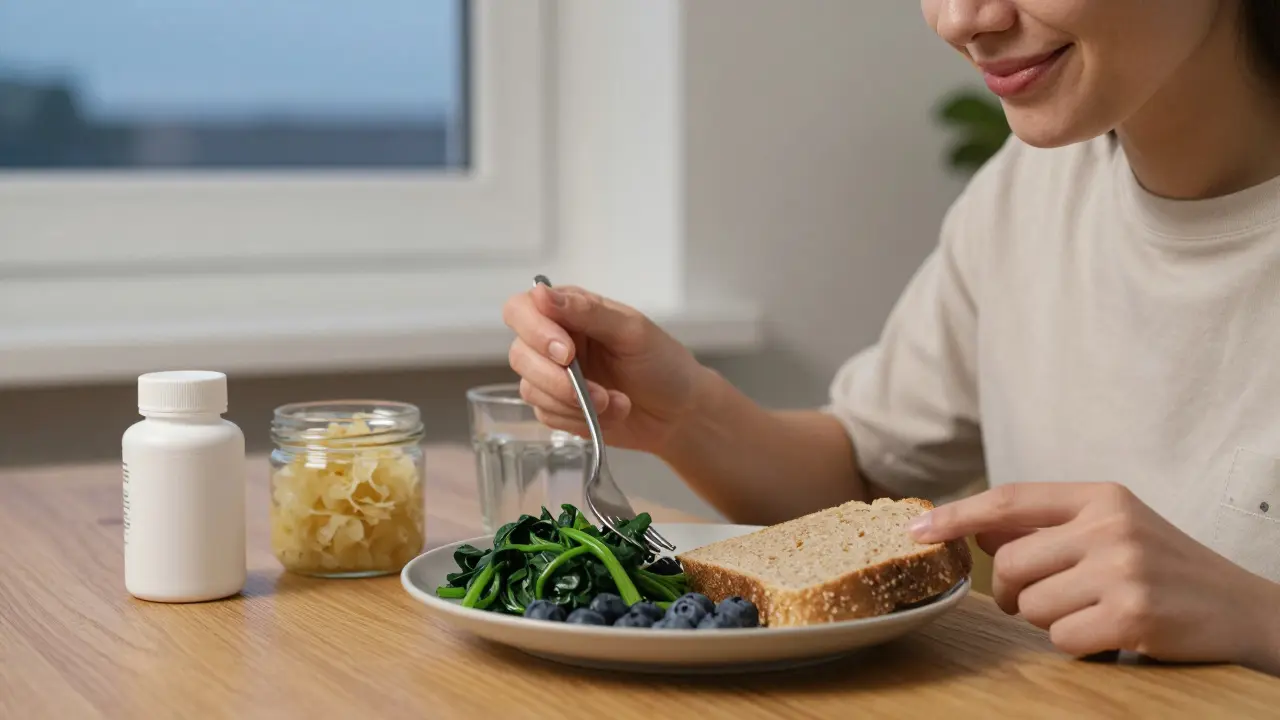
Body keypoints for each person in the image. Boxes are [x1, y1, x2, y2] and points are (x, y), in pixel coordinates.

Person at [502, 0, 1280, 675]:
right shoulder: (1029, 189)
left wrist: (1257, 616)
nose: (960, 20)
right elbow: (867, 480)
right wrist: (685, 414)